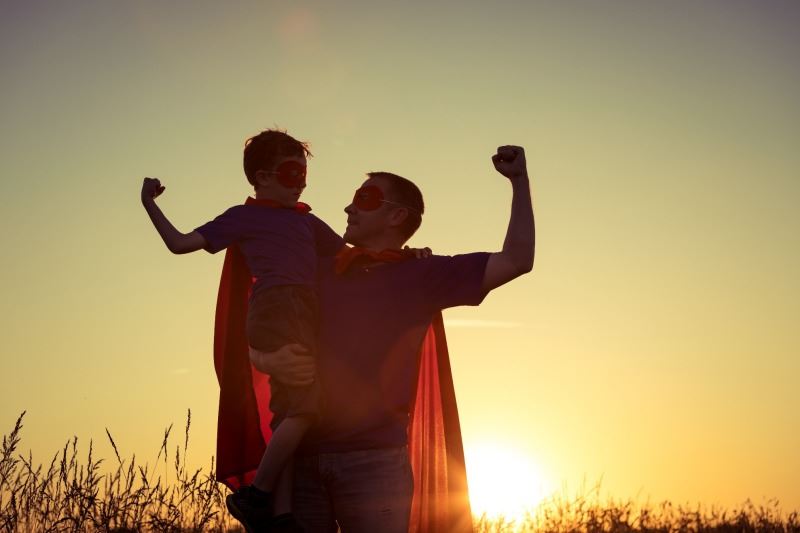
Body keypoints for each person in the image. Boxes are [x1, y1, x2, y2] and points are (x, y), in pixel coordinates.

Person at [247, 145, 535, 532]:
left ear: (398, 215)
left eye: (365, 199)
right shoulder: (312, 269)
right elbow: (257, 321)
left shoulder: (423, 275)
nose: (349, 209)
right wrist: (266, 360)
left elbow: (517, 260)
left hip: (375, 463)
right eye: (352, 201)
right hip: (298, 459)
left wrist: (519, 181)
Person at [140, 129, 345, 532]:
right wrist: (148, 204)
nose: (300, 183)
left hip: (303, 312)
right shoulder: (243, 216)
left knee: (288, 414)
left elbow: (350, 259)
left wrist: (404, 256)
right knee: (306, 409)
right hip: (277, 310)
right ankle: (257, 496)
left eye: (303, 175)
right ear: (262, 177)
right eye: (291, 174)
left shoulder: (307, 221)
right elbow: (180, 244)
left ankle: (282, 516)